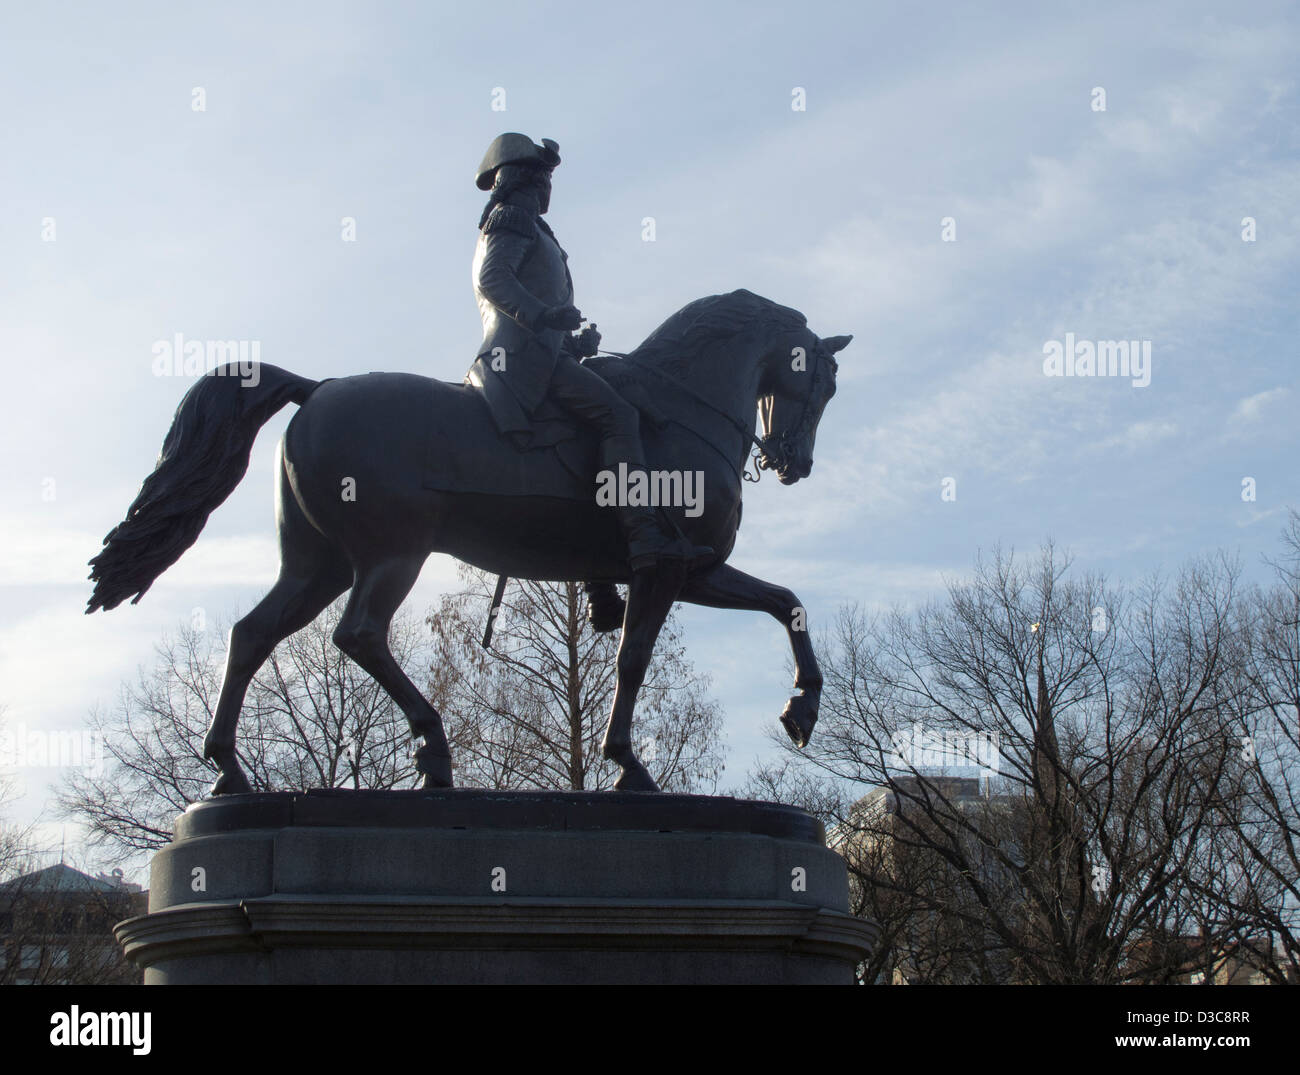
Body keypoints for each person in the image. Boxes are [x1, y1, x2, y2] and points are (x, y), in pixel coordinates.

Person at [466, 135, 710, 628]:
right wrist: (546, 314)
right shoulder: (512, 216)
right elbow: (494, 280)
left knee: (589, 427)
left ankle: (599, 584)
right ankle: (643, 535)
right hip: (518, 360)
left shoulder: (532, 226)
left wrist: (571, 343)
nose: (548, 187)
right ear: (525, 179)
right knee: (618, 414)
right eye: (543, 177)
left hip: (541, 358)